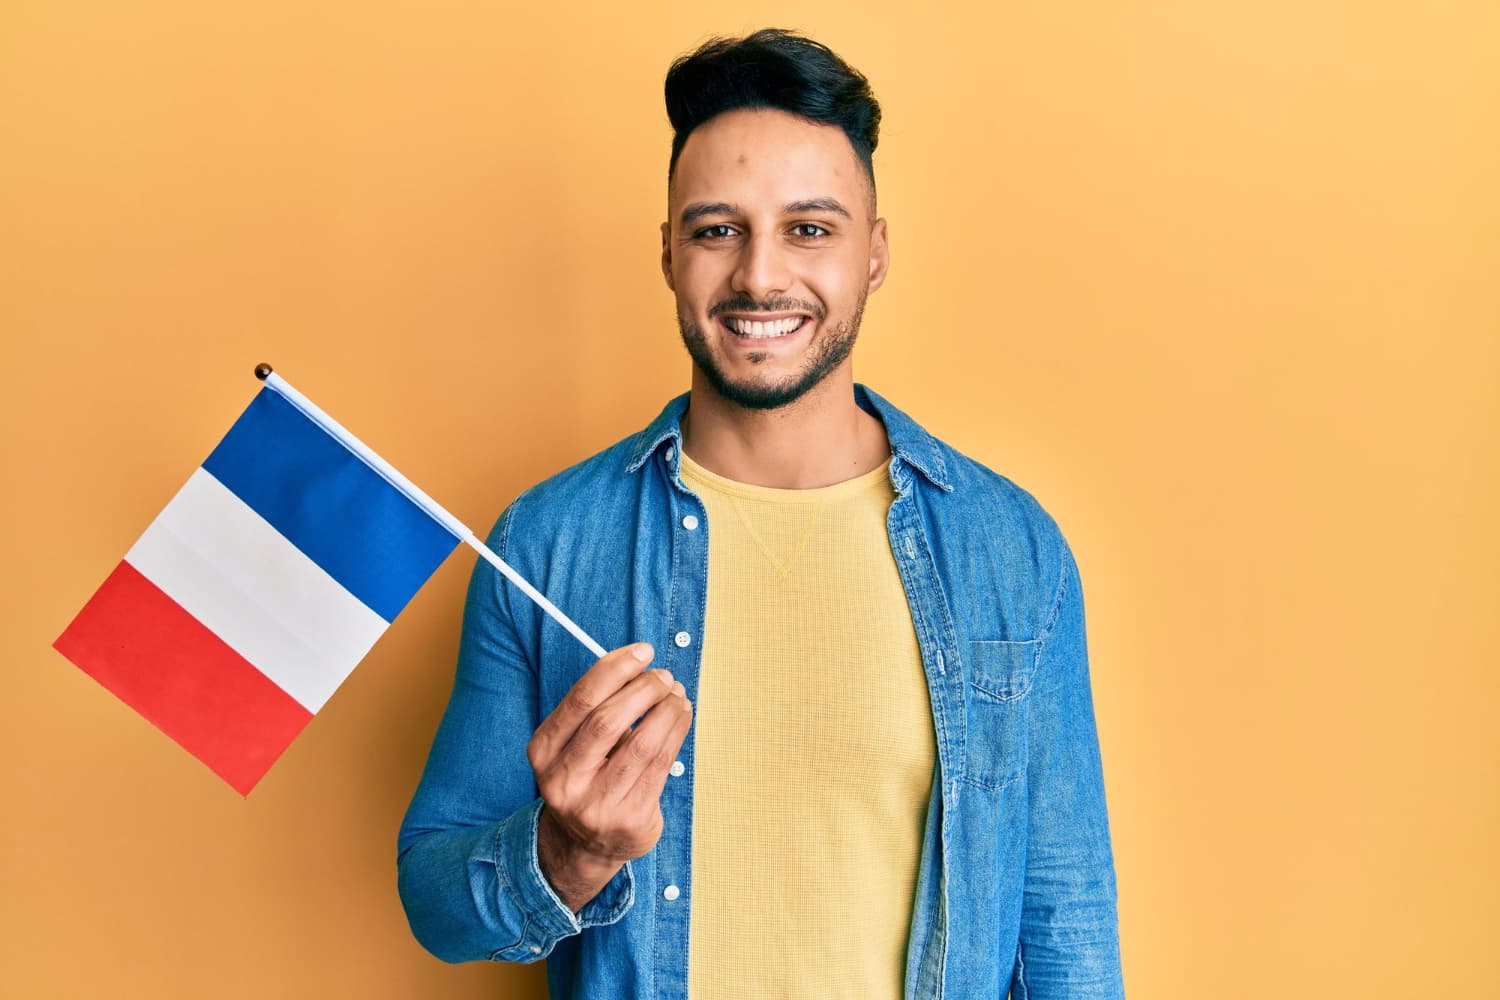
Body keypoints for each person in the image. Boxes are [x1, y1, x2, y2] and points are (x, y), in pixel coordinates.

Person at [397, 28, 1125, 999]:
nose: (759, 276)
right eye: (716, 229)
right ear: (668, 254)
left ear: (874, 253)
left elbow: (1066, 923)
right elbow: (435, 900)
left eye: (810, 229)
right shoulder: (550, 542)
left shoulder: (1007, 548)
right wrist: (564, 854)